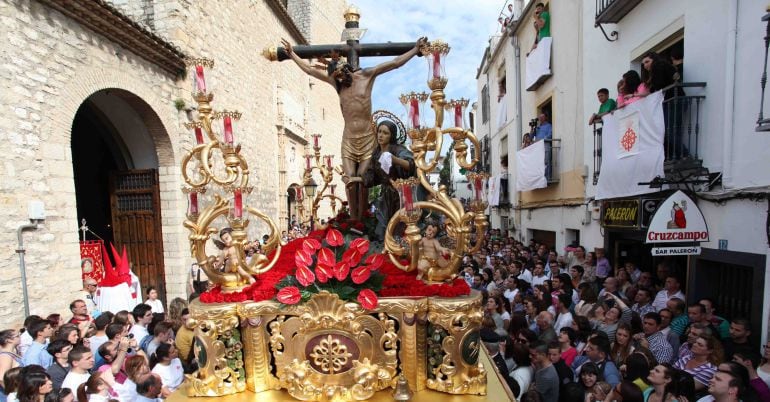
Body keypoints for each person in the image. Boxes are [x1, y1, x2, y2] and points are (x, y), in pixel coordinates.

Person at [281, 37, 426, 222]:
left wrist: (415, 49)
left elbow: (395, 63)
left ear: (346, 69)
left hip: (367, 139)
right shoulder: (337, 82)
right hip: (349, 139)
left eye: (340, 76)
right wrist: (292, 54)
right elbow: (310, 70)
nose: (338, 80)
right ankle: (353, 220)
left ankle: (362, 220)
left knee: (363, 181)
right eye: (335, 78)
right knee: (350, 182)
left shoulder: (367, 75)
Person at [363, 118, 421, 239]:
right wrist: (356, 178)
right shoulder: (376, 153)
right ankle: (387, 252)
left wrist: (395, 160)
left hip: (403, 194)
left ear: (391, 135)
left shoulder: (398, 150)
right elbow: (372, 177)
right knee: (385, 227)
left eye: (385, 133)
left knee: (401, 226)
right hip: (386, 196)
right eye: (379, 131)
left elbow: (412, 165)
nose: (381, 135)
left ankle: (402, 252)